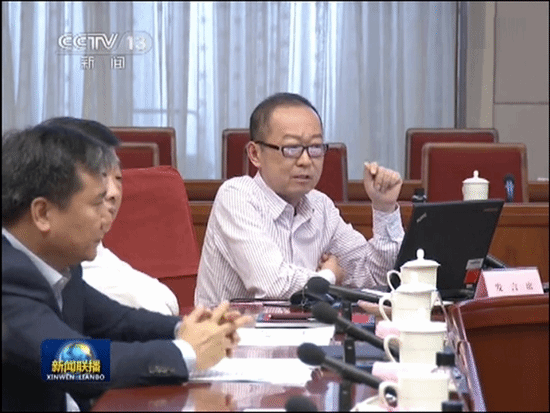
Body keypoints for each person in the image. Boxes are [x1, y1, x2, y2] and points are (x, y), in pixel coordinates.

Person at [2, 123, 252, 411]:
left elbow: (118, 322)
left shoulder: (58, 264)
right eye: (96, 203)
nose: (107, 216)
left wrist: (190, 328)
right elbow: (67, 362)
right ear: (43, 213)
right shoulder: (8, 274)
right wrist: (185, 351)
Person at [195, 92, 405, 307]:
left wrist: (384, 207)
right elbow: (273, 285)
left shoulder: (321, 207)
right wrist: (329, 277)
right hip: (232, 328)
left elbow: (378, 277)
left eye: (315, 147)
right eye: (292, 148)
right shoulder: (236, 196)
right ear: (255, 154)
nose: (305, 160)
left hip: (310, 326)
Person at [42, 117, 179, 316]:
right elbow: (155, 308)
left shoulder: (87, 253)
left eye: (118, 177)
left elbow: (162, 304)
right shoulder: (26, 267)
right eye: (102, 176)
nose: (113, 192)